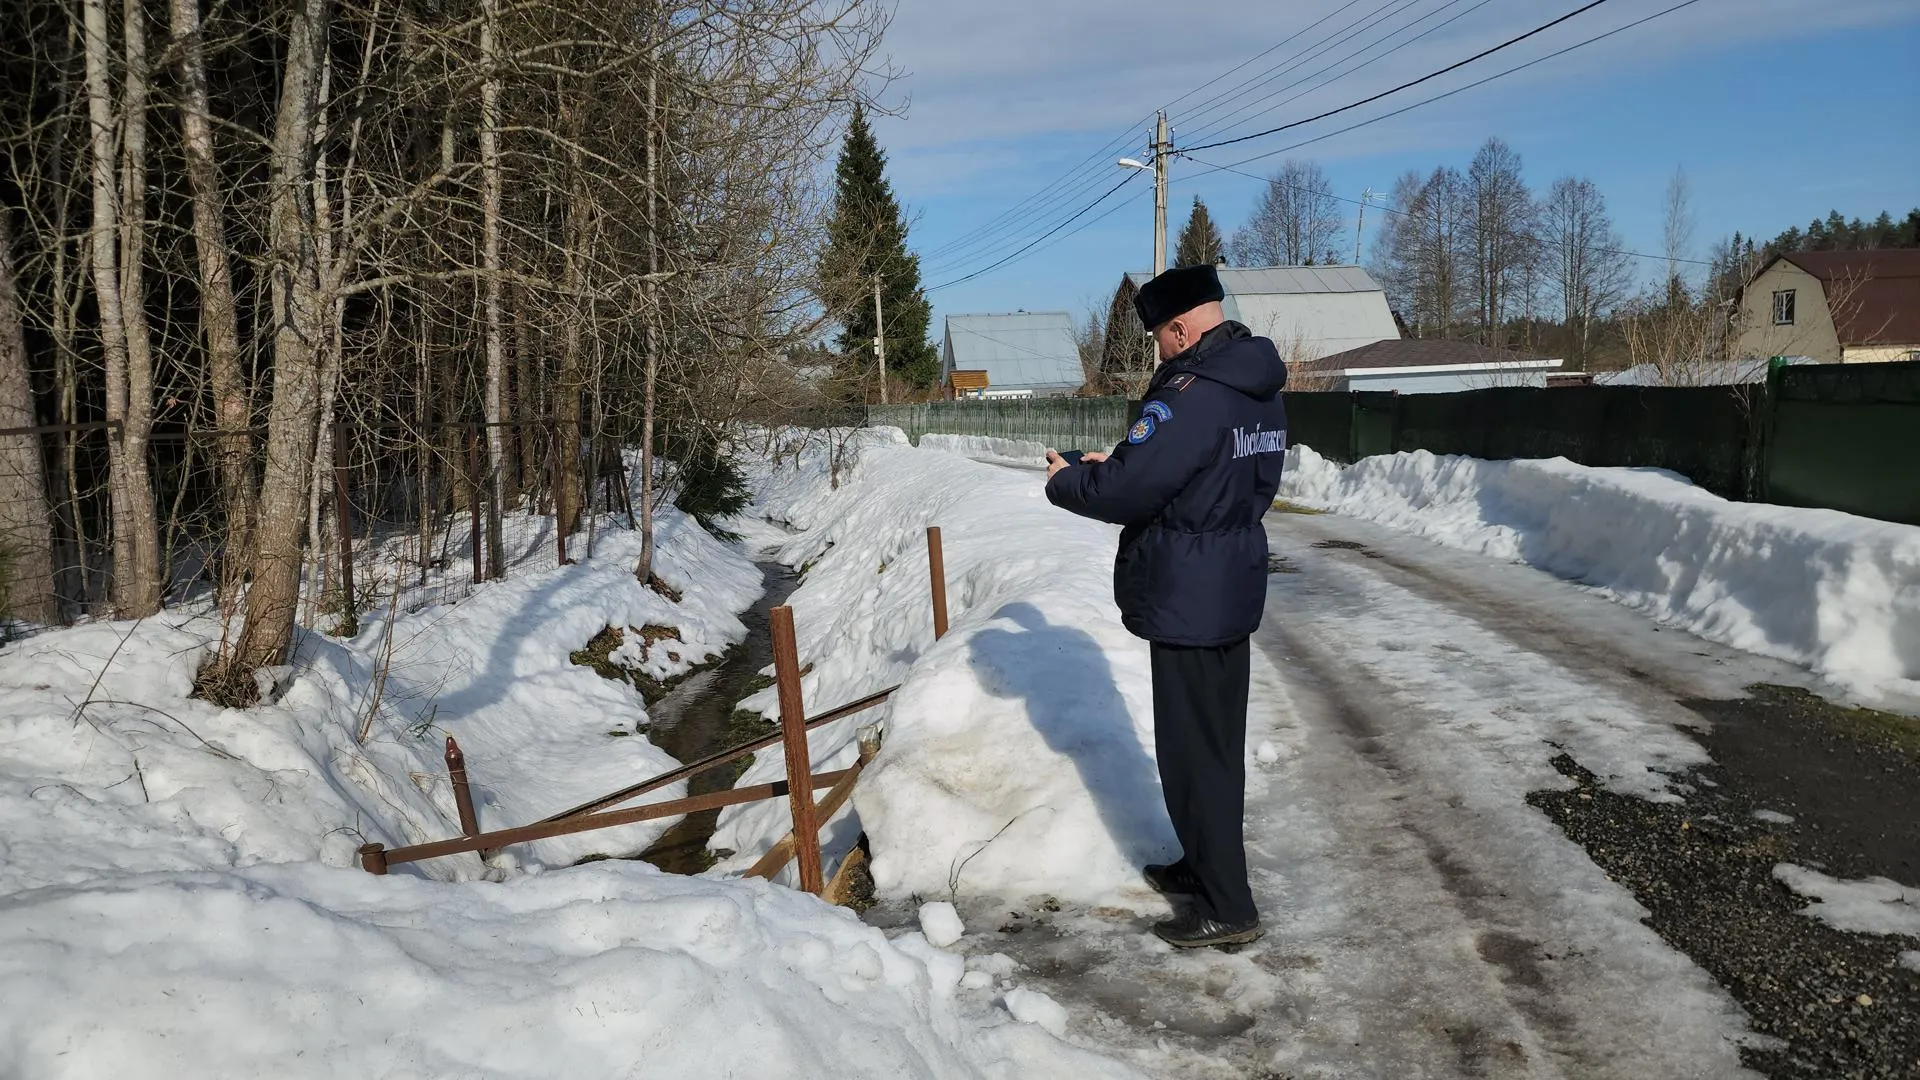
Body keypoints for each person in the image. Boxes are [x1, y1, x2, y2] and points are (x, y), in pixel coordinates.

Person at [1043, 263, 1289, 949]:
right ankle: (1206, 869)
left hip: (1188, 590)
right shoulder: (1256, 384)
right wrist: (1116, 462)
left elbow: (1129, 492)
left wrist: (1071, 482)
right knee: (1213, 745)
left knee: (1193, 754)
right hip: (1229, 577)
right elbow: (1193, 472)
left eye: (1159, 336)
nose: (1159, 349)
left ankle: (1228, 908)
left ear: (1182, 327)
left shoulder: (1191, 394)